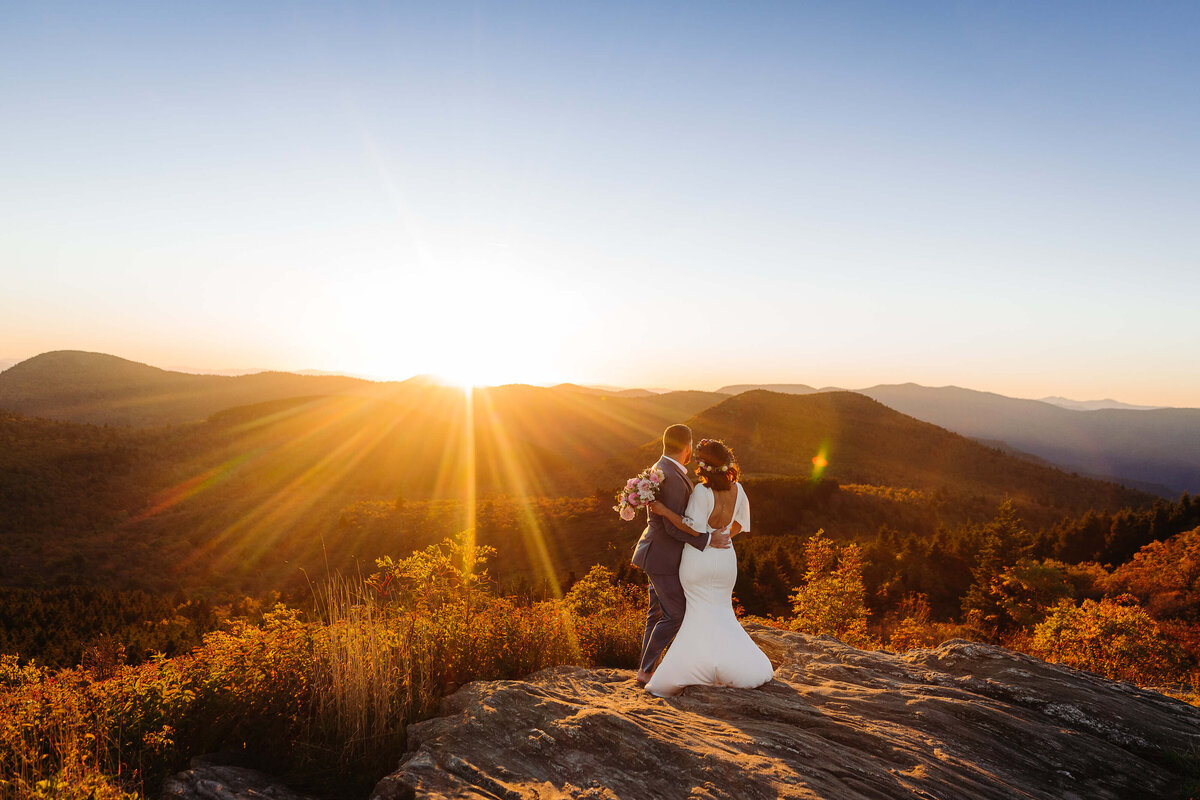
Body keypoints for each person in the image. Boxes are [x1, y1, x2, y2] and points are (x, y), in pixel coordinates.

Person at [644, 437, 774, 697]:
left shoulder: (701, 492)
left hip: (699, 559)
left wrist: (664, 511)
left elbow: (690, 526)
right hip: (725, 560)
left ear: (704, 466)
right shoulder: (739, 489)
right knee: (722, 612)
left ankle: (691, 669)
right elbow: (739, 525)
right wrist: (723, 537)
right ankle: (736, 666)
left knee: (696, 613)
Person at [630, 424, 732, 686]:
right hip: (662, 556)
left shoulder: (661, 468)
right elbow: (673, 528)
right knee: (675, 613)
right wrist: (708, 539)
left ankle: (645, 669)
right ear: (687, 447)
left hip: (655, 553)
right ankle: (646, 670)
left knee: (656, 614)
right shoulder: (671, 477)